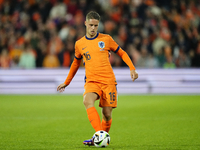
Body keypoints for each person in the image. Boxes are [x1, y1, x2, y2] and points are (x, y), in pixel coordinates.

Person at [57, 11, 138, 146]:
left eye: (96, 25)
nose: (93, 28)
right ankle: (100, 137)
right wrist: (67, 82)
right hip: (92, 81)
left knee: (106, 114)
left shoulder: (106, 39)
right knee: (87, 101)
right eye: (90, 25)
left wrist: (132, 68)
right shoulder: (79, 44)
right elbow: (75, 63)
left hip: (108, 81)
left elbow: (122, 53)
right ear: (85, 23)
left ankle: (99, 138)